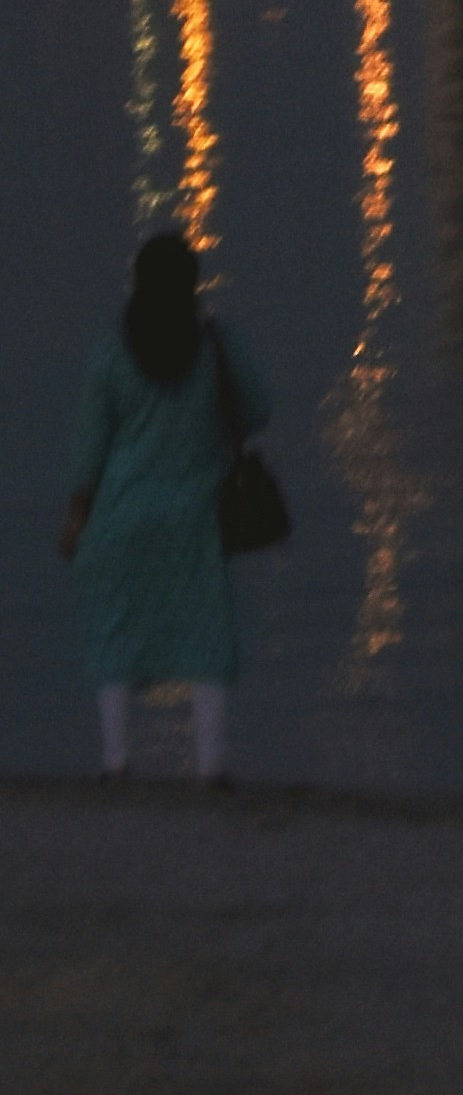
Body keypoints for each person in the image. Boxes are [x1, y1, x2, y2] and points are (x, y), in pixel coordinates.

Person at [60, 227, 266, 782]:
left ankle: (115, 760)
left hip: (119, 513)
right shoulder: (215, 346)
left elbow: (88, 448)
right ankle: (211, 766)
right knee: (205, 633)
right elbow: (257, 409)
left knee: (115, 629)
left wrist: (76, 518)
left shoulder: (111, 356)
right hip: (194, 515)